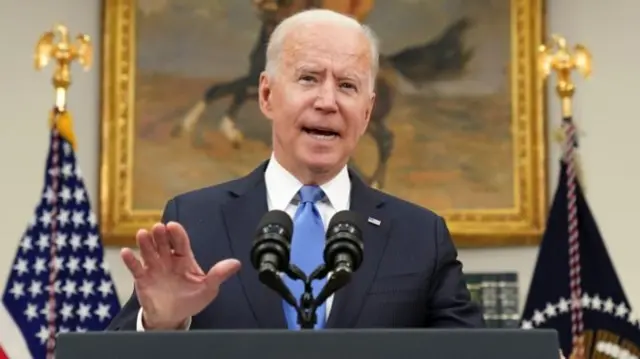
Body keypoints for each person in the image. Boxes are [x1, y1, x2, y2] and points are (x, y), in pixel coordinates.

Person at [106, 8, 486, 332]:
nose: (327, 101)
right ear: (267, 95)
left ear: (367, 112)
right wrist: (161, 324)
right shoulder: (193, 220)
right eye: (308, 78)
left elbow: (477, 353)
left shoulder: (421, 235)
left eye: (348, 85)